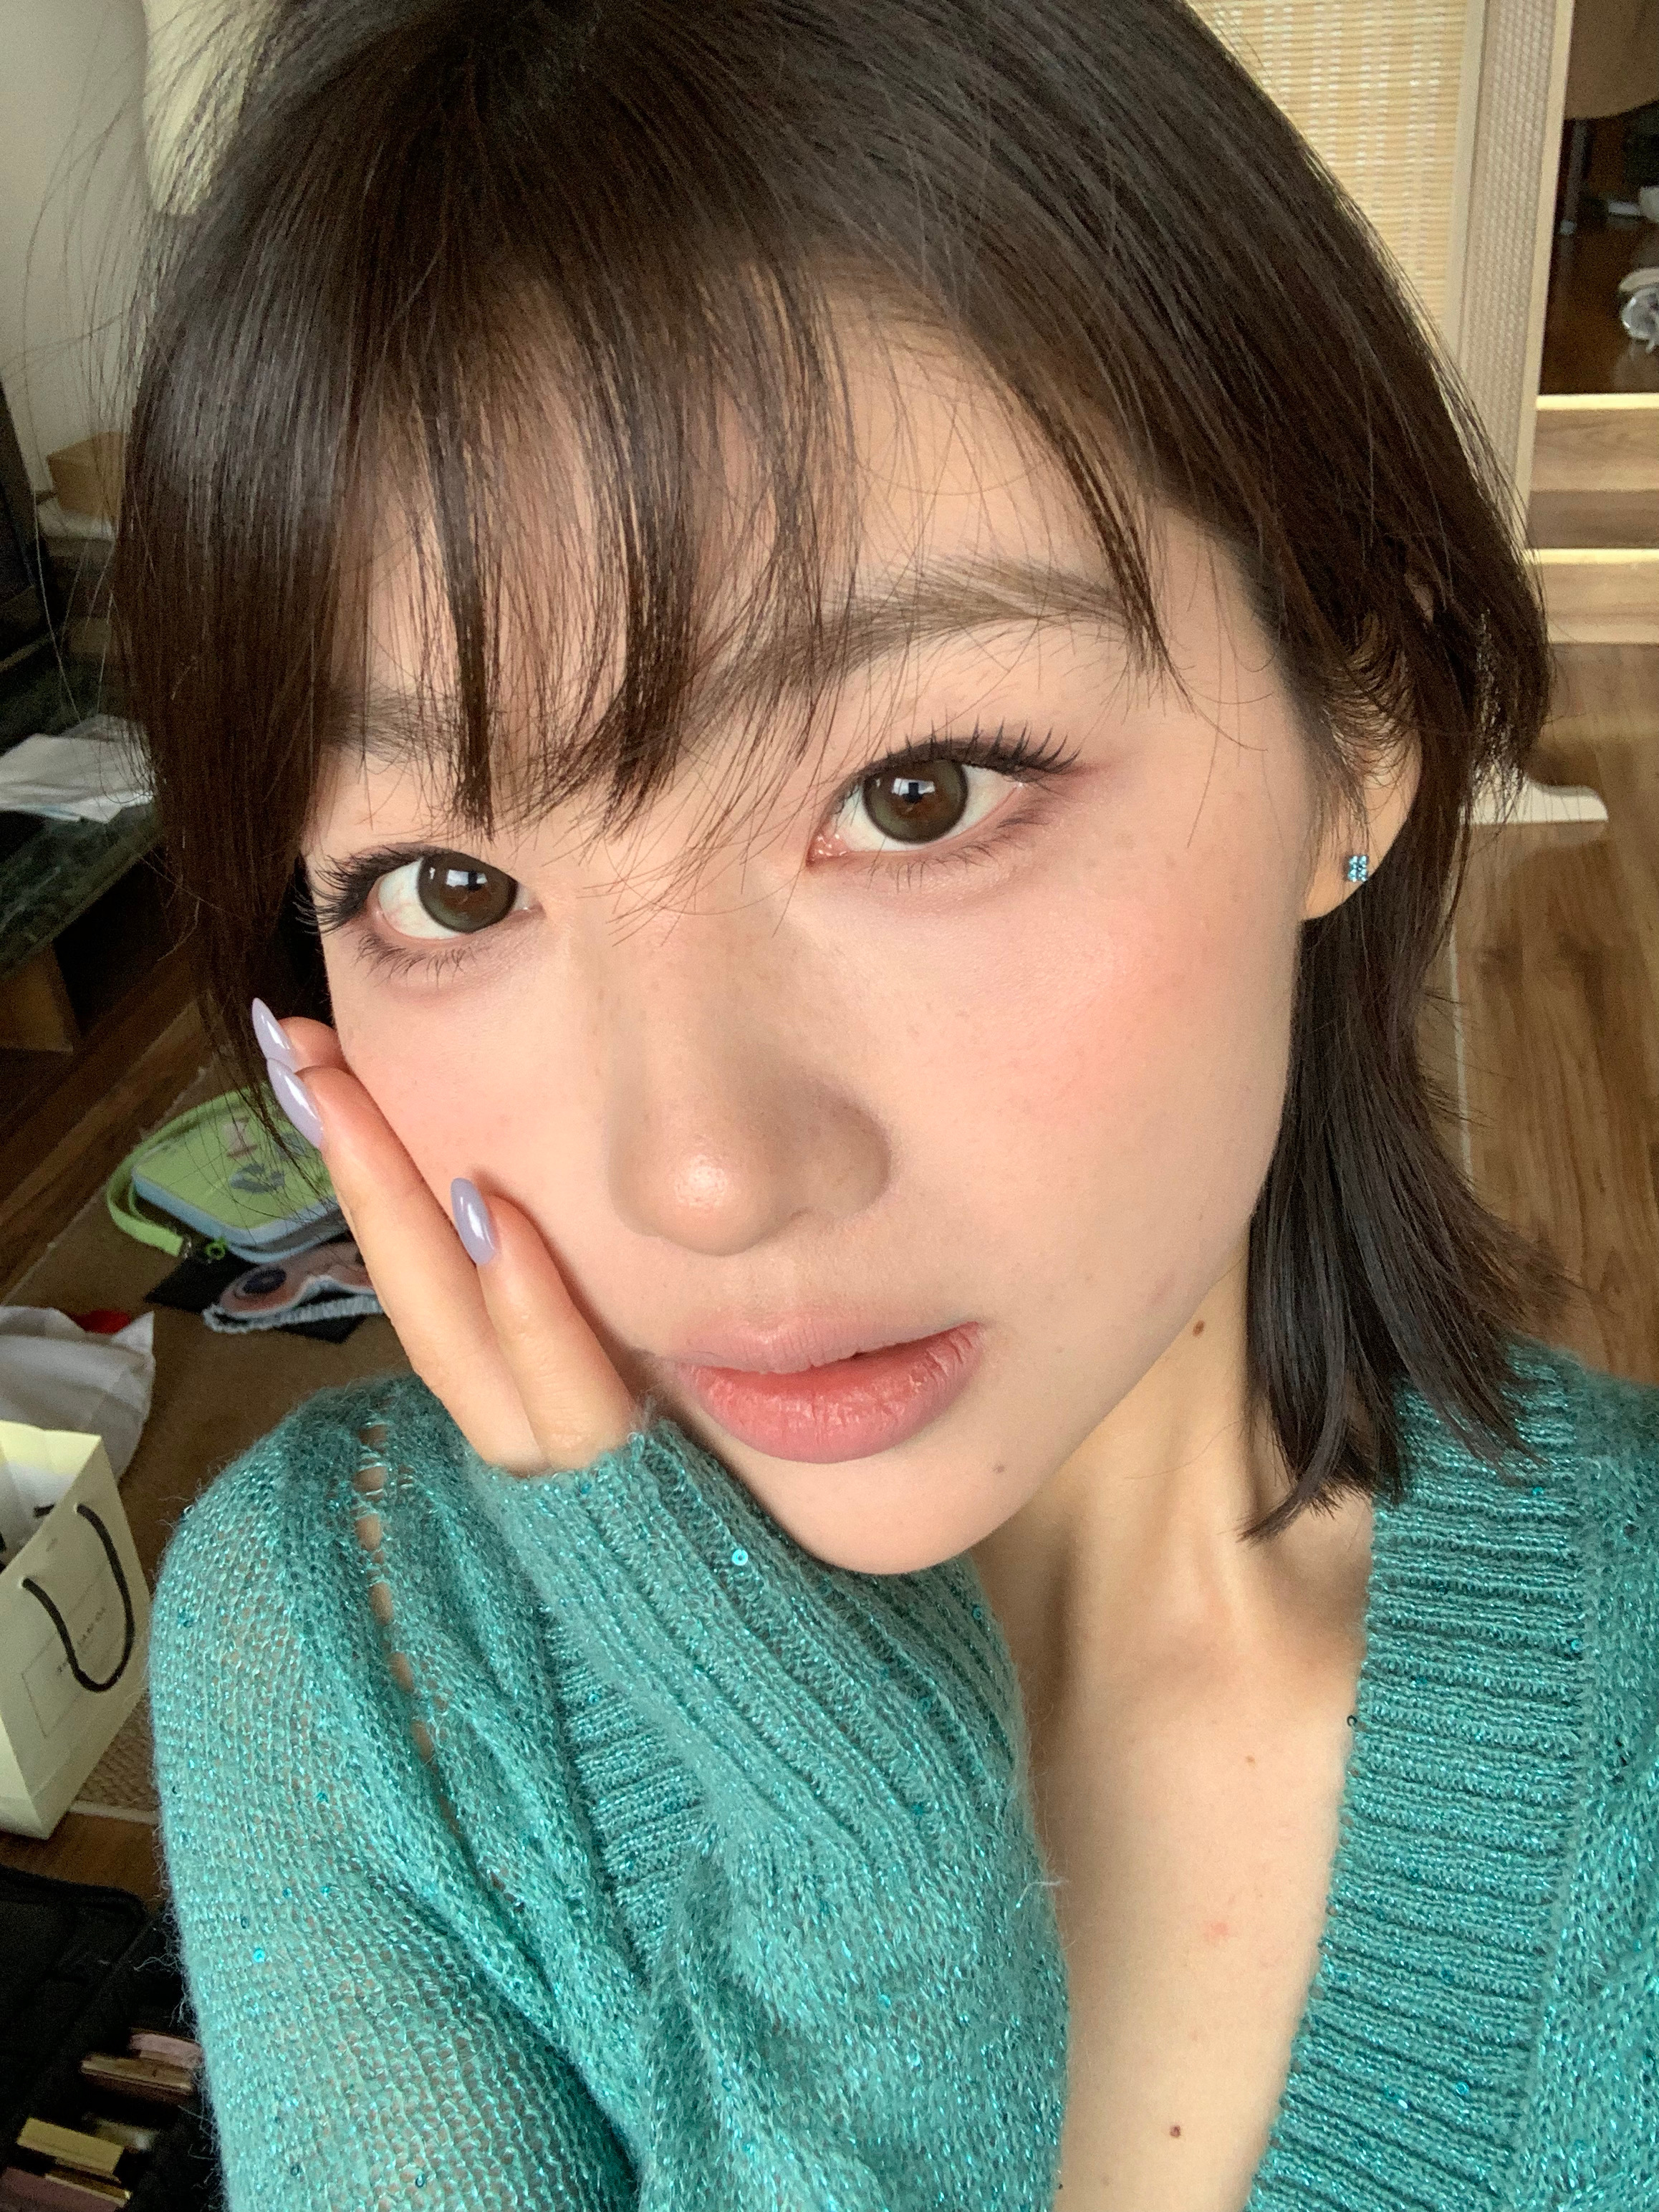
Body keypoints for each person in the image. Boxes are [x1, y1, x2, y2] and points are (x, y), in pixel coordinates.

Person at [119, 1, 1659, 2206]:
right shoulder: (351, 1658)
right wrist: (864, 1879)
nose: (706, 1174)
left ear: (1362, 743)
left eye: (916, 793)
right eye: (450, 886)